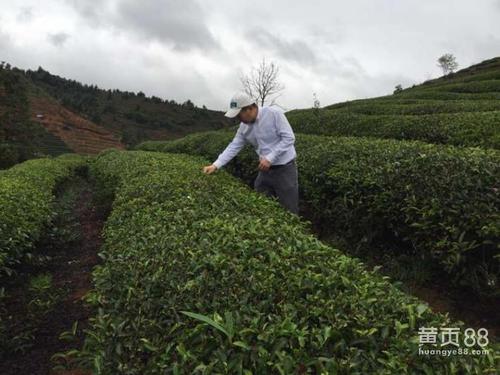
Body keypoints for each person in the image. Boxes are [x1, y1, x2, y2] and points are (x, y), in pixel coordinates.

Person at [202, 92, 299, 215]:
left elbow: (289, 138)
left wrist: (270, 158)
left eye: (239, 115)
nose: (238, 119)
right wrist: (215, 165)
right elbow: (234, 146)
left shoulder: (273, 114)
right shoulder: (244, 127)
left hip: (285, 169)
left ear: (249, 109)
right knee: (260, 204)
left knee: (289, 208)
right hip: (265, 171)